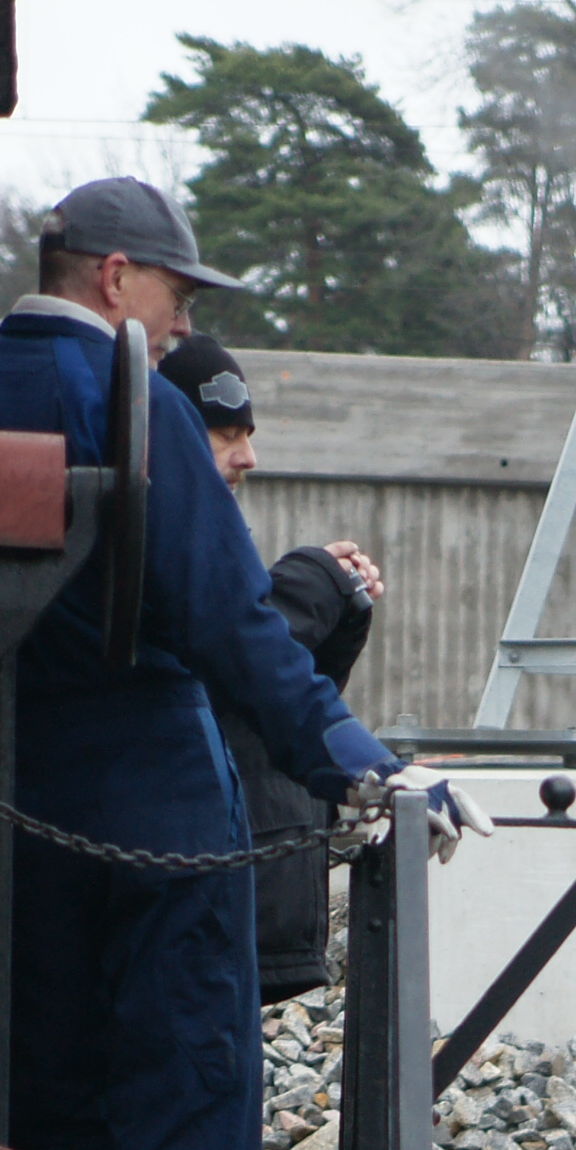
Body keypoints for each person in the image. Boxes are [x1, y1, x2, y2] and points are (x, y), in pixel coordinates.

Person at [0, 179, 469, 1150]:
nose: (181, 322)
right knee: (186, 1145)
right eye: (180, 298)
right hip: (161, 826)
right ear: (116, 278)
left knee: (47, 1143)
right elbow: (233, 623)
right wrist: (362, 764)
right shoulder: (131, 399)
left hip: (16, 824)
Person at [156, 329, 381, 1009]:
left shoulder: (201, 533)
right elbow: (221, 658)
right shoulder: (160, 542)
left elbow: (272, 690)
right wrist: (316, 581)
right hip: (198, 904)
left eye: (247, 433)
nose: (248, 457)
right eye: (225, 434)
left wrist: (338, 605)